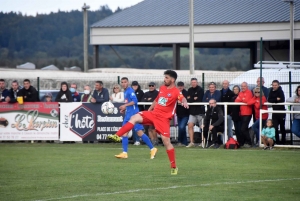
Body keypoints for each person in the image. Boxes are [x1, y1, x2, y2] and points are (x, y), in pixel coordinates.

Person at [108, 70, 189, 175]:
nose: (164, 79)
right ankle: (117, 135)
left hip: (163, 119)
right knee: (135, 117)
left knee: (166, 142)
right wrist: (149, 111)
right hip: (154, 114)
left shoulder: (176, 91)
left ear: (173, 80)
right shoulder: (162, 88)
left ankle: (173, 167)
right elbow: (157, 100)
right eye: (164, 77)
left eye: (167, 78)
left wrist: (185, 102)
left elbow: (182, 98)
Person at [113, 77, 157, 159]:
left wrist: (125, 105)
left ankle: (152, 148)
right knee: (124, 133)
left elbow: (135, 101)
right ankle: (124, 153)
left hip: (134, 116)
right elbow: (130, 104)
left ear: (128, 83)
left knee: (139, 133)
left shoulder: (130, 91)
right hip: (128, 115)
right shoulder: (125, 91)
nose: (123, 83)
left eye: (125, 82)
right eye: (122, 82)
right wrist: (125, 108)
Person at [186, 78, 204, 147]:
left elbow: (199, 99)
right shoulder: (189, 90)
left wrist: (191, 98)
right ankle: (191, 142)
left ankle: (202, 142)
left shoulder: (200, 90)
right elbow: (188, 99)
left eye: (194, 82)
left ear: (197, 82)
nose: (193, 83)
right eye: (192, 82)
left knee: (202, 127)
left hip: (200, 112)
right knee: (190, 126)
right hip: (192, 112)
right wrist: (193, 98)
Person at [235, 82, 253, 148]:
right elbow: (236, 101)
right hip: (242, 113)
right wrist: (242, 100)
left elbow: (248, 101)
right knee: (243, 129)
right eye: (242, 86)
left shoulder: (249, 92)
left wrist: (241, 99)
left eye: (244, 86)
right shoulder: (240, 93)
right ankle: (245, 142)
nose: (243, 87)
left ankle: (249, 142)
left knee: (243, 129)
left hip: (247, 113)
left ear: (247, 86)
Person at [268, 80, 286, 144]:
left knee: (282, 127)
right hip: (275, 112)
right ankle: (277, 141)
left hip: (281, 112)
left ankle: (283, 142)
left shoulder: (281, 91)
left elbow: (282, 100)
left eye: (275, 85)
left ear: (278, 85)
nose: (274, 86)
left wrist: (274, 100)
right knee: (275, 127)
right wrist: (276, 99)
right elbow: (269, 99)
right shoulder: (271, 91)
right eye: (273, 85)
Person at [176, 81, 189, 146]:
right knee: (181, 128)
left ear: (183, 86)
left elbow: (186, 100)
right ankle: (184, 142)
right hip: (178, 114)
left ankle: (180, 141)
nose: (180, 87)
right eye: (179, 85)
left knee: (181, 127)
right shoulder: (176, 93)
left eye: (181, 86)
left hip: (185, 113)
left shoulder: (186, 93)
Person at [131, 81, 144, 145]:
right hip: (132, 111)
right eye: (133, 85)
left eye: (136, 85)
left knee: (138, 126)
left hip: (139, 111)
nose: (135, 86)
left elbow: (138, 100)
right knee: (133, 125)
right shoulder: (130, 92)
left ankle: (140, 139)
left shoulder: (141, 92)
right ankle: (136, 140)